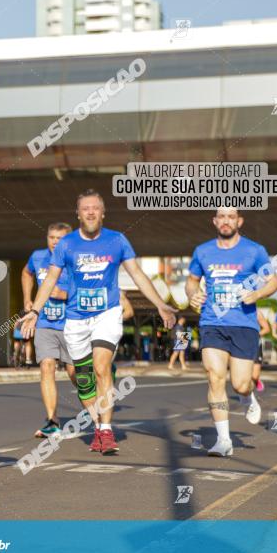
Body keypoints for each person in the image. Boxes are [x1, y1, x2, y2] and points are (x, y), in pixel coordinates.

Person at [22, 190, 176, 455]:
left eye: (95, 208)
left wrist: (160, 304)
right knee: (84, 381)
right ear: (78, 214)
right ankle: (97, 426)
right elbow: (49, 280)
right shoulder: (67, 245)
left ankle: (106, 430)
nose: (91, 212)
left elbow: (137, 274)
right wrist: (35, 311)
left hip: (107, 313)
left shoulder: (117, 241)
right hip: (76, 319)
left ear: (103, 213)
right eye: (85, 208)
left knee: (101, 366)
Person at [186, 208, 277, 457]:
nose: (226, 221)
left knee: (239, 384)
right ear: (215, 221)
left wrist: (257, 294)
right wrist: (192, 295)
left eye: (231, 217)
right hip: (212, 322)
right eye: (221, 217)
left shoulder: (254, 250)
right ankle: (223, 440)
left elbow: (273, 282)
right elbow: (192, 280)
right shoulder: (202, 251)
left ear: (239, 221)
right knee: (215, 377)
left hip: (244, 324)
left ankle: (247, 396)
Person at [22, 222, 77, 438]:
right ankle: (52, 420)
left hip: (72, 324)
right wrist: (28, 299)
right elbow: (26, 273)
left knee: (75, 374)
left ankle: (98, 415)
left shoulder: (76, 260)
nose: (55, 242)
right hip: (45, 323)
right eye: (51, 237)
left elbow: (89, 285)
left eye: (60, 238)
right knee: (46, 366)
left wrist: (65, 294)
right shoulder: (38, 257)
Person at [251, 309, 270, 392]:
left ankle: (256, 380)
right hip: (242, 344)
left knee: (254, 376)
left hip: (255, 344)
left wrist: (254, 335)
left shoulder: (257, 312)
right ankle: (249, 396)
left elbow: (266, 329)